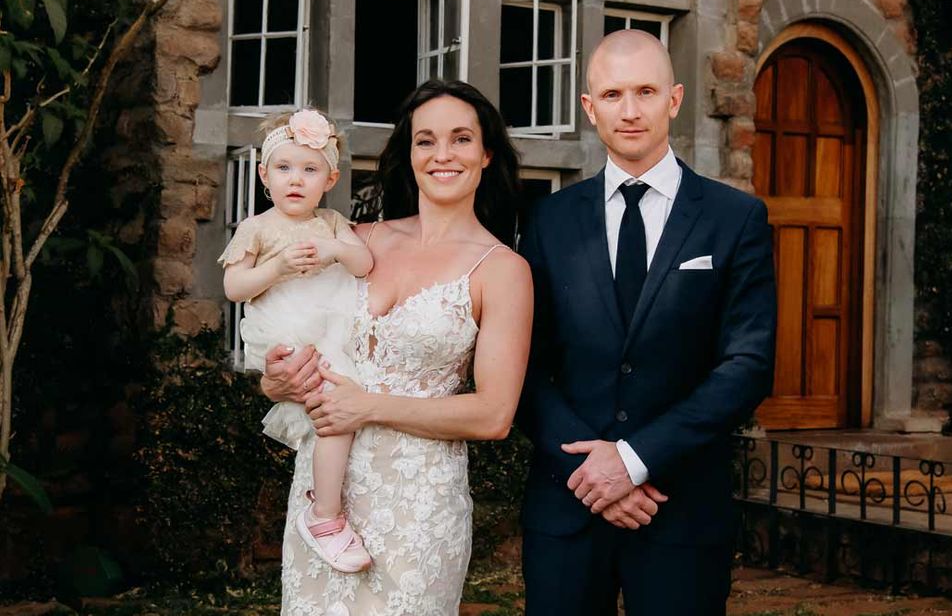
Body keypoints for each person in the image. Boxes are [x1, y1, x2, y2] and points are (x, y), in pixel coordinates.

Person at [518, 30, 777, 616]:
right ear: (590, 108)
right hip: (568, 509)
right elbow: (525, 366)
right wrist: (592, 472)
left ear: (674, 99)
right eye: (612, 95)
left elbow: (748, 365)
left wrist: (634, 460)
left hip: (680, 508)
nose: (630, 111)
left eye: (645, 92)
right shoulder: (549, 220)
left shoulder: (735, 218)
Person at [260, 80, 533, 616]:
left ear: (486, 154)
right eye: (425, 140)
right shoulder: (357, 239)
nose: (442, 154)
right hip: (323, 496)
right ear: (409, 154)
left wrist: (367, 406)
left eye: (460, 139)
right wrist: (278, 380)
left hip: (417, 505)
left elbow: (494, 415)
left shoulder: (502, 270)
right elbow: (298, 340)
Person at [220, 108, 375, 573]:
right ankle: (324, 514)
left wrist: (336, 249)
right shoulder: (257, 227)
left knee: (347, 409)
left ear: (330, 180)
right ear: (264, 175)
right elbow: (234, 287)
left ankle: (336, 504)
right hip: (289, 332)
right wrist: (277, 267)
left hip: (333, 328)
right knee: (335, 413)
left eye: (310, 170)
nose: (296, 179)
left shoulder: (331, 221)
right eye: (284, 168)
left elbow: (364, 264)